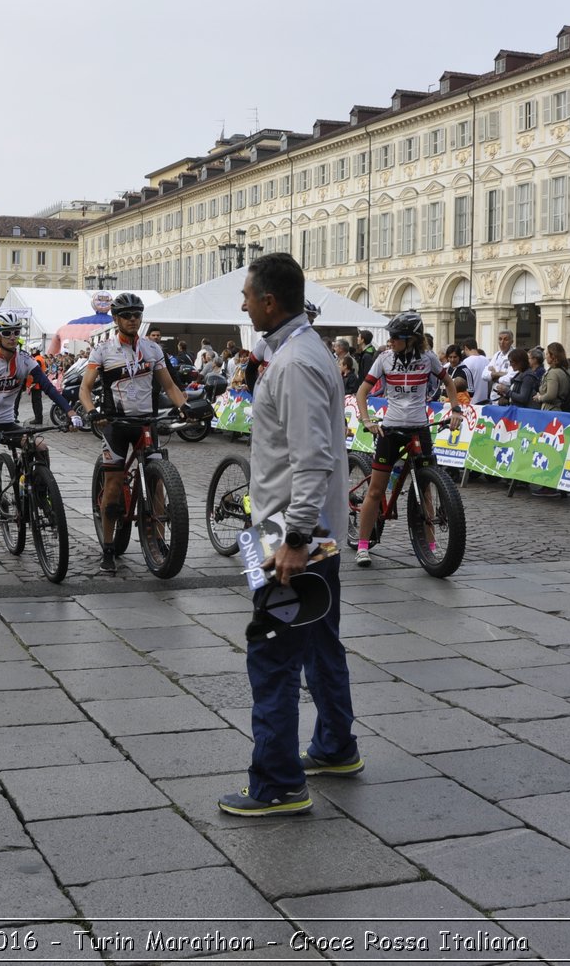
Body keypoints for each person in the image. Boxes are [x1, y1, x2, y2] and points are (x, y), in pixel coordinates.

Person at [220, 253, 354, 817]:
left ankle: (277, 782)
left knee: (271, 655)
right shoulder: (298, 350)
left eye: (248, 295)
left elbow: (312, 457)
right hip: (296, 531)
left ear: (270, 302)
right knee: (320, 643)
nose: (243, 303)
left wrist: (296, 540)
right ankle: (335, 746)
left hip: (288, 537)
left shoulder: (296, 362)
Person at [79, 292, 190, 573]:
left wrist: (185, 408)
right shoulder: (102, 350)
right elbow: (85, 389)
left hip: (146, 422)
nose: (133, 320)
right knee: (114, 487)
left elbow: (169, 386)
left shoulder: (152, 349)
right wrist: (92, 411)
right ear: (116, 319)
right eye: (127, 315)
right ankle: (107, 546)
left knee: (158, 484)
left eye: (137, 315)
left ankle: (161, 544)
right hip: (115, 424)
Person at [0, 311, 78, 567]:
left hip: (8, 422)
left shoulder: (26, 361)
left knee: (40, 445)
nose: (12, 337)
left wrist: (71, 412)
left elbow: (49, 388)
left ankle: (41, 491)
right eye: (6, 332)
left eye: (16, 332)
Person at [353, 311, 460, 567]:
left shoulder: (428, 359)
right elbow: (362, 392)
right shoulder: (384, 359)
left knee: (425, 490)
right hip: (390, 430)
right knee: (376, 490)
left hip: (419, 429)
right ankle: (363, 545)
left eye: (395, 337)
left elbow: (449, 383)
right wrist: (367, 421)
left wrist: (456, 409)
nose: (390, 341)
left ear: (411, 339)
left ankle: (432, 545)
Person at [533, 342, 570, 411]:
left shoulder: (553, 373)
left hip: (551, 409)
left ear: (553, 356)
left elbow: (551, 395)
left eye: (547, 354)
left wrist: (539, 398)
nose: (545, 357)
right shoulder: (566, 370)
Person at [458, 339, 490, 405]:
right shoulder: (486, 360)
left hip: (471, 401)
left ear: (466, 348)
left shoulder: (466, 362)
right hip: (484, 400)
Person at [485, 330, 516, 398]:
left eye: (506, 339)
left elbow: (510, 379)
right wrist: (499, 374)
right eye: (500, 339)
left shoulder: (515, 355)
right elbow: (484, 375)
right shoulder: (497, 355)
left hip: (507, 396)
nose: (502, 342)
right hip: (494, 396)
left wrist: (494, 376)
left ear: (511, 342)